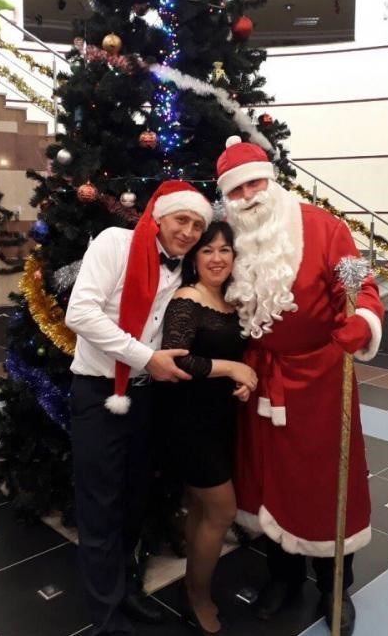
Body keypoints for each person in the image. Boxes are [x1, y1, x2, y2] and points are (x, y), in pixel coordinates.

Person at [215, 137, 384, 636]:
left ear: (271, 180)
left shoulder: (325, 227)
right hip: (261, 378)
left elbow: (360, 284)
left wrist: (363, 320)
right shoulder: (229, 239)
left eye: (254, 183)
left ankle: (335, 586)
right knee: (269, 480)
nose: (248, 196)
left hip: (321, 380)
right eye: (236, 189)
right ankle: (283, 577)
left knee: (327, 481)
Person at [65, 180, 213, 636]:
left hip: (147, 396)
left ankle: (125, 590)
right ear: (160, 217)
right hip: (98, 393)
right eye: (182, 220)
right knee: (100, 508)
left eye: (197, 225)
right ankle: (106, 617)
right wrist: (145, 357)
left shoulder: (185, 271)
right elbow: (80, 313)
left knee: (133, 504)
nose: (189, 232)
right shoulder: (116, 243)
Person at [160, 221, 257, 635]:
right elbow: (177, 359)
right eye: (207, 250)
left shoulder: (230, 301)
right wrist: (232, 367)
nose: (217, 258)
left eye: (225, 250)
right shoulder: (188, 299)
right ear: (194, 258)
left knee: (201, 509)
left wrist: (242, 381)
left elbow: (232, 356)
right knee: (222, 510)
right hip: (189, 423)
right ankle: (197, 595)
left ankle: (191, 586)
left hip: (220, 420)